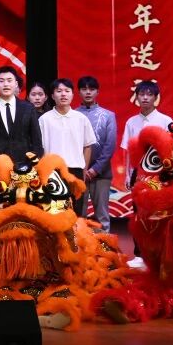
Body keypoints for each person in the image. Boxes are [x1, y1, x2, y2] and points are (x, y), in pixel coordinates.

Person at [0, 66, 43, 193]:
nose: (5, 84)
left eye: (9, 80)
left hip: (25, 167)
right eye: (1, 81)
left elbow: (37, 141)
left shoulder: (28, 108)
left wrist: (35, 166)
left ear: (16, 84)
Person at [39, 78, 97, 218]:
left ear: (72, 95)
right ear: (52, 96)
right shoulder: (44, 119)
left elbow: (88, 146)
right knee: (53, 212)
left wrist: (84, 170)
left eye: (67, 91)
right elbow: (40, 149)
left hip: (75, 170)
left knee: (75, 212)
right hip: (52, 172)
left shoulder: (81, 119)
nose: (63, 94)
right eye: (59, 91)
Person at [76, 76, 118, 232]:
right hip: (78, 173)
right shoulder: (73, 115)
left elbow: (109, 146)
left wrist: (95, 169)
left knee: (102, 215)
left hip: (101, 174)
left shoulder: (108, 115)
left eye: (92, 89)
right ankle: (80, 245)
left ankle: (105, 245)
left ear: (97, 92)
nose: (88, 92)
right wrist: (82, 170)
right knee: (79, 215)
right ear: (78, 92)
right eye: (84, 89)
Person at [121, 80, 173, 189]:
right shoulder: (131, 122)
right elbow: (128, 151)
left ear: (155, 97)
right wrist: (127, 175)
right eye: (141, 94)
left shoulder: (166, 121)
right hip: (136, 173)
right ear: (136, 97)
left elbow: (172, 150)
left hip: (159, 173)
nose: (145, 98)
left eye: (149, 94)